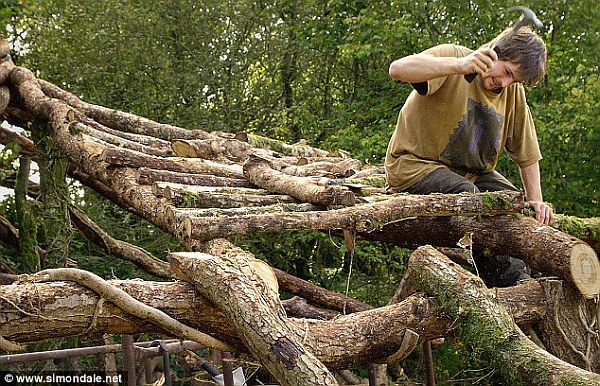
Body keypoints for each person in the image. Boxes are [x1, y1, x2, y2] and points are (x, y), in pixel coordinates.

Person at [384, 27, 554, 286]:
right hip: (414, 167)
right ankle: (511, 285)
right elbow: (397, 69)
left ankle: (537, 278)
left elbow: (528, 155)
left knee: (513, 206)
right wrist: (458, 65)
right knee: (472, 200)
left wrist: (536, 203)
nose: (505, 83)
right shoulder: (454, 57)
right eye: (506, 72)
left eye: (515, 80)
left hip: (472, 174)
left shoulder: (512, 94)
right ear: (495, 52)